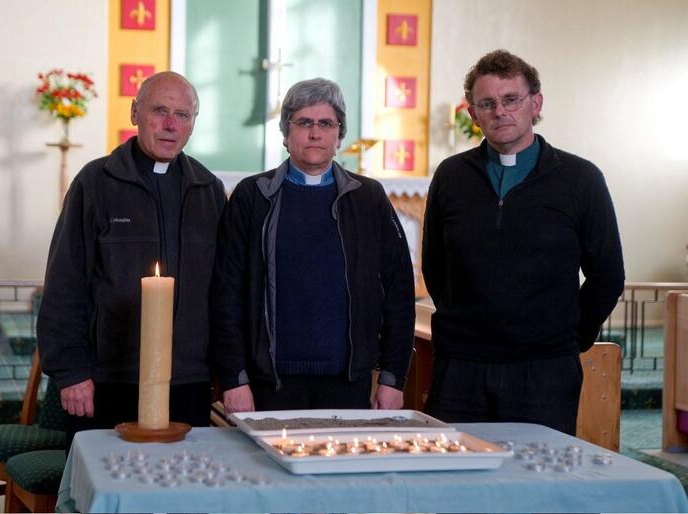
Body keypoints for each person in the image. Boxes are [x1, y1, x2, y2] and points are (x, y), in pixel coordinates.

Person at [422, 50, 625, 434]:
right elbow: (435, 267)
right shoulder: (451, 176)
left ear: (536, 103)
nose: (500, 111)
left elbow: (608, 274)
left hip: (544, 370)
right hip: (462, 367)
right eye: (487, 103)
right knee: (453, 482)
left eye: (511, 99)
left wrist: (567, 336)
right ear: (473, 114)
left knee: (539, 483)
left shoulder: (580, 179)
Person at [37, 71, 226, 445]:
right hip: (109, 377)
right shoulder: (95, 183)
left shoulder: (208, 190)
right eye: (160, 110)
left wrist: (224, 369)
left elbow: (223, 290)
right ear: (134, 112)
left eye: (183, 115)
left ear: (192, 124)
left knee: (181, 493)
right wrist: (72, 371)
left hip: (187, 379)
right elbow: (65, 281)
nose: (171, 124)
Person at [212, 78, 415, 414]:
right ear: (285, 132)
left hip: (348, 381)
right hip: (269, 381)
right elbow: (227, 293)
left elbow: (398, 290)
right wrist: (234, 378)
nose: (315, 133)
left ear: (339, 135)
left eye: (326, 123)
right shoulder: (252, 196)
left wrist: (393, 378)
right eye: (304, 122)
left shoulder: (367, 198)